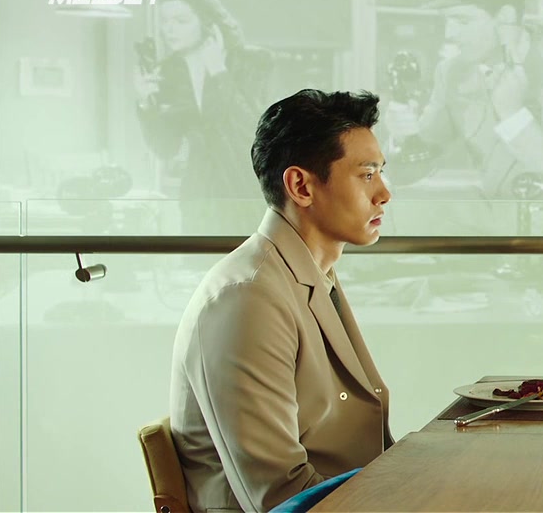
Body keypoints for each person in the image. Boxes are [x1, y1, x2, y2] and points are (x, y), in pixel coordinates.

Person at [169, 89, 395, 512]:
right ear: (301, 186)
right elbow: (281, 497)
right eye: (366, 175)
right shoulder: (247, 297)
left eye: (381, 172)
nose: (384, 193)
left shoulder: (310, 272)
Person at [383, 0, 543, 202]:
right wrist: (402, 138)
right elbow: (407, 174)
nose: (449, 34)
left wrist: (514, 116)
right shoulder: (451, 72)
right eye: (446, 21)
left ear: (505, 17)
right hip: (491, 221)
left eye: (462, 21)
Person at [135, 0, 274, 234]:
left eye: (181, 21)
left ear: (206, 21)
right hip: (198, 198)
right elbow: (166, 148)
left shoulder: (252, 62)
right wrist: (146, 103)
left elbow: (253, 130)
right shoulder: (169, 72)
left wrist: (218, 72)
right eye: (165, 21)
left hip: (247, 192)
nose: (169, 29)